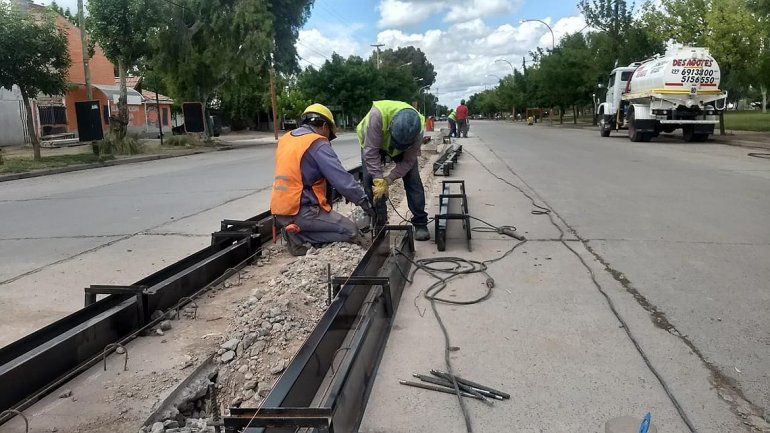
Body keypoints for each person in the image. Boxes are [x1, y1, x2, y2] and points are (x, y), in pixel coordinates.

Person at [270, 103, 375, 256]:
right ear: (325, 126)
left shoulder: (286, 139)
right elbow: (342, 180)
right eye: (330, 135)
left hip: (280, 210)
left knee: (332, 221)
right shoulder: (317, 143)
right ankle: (298, 237)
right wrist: (366, 204)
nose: (328, 140)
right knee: (351, 232)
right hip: (301, 212)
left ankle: (295, 231)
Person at [357, 100, 430, 241]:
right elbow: (371, 154)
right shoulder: (377, 117)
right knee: (370, 182)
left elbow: (408, 161)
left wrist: (390, 178)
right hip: (372, 143)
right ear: (390, 126)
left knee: (413, 179)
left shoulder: (417, 130)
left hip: (400, 146)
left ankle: (420, 223)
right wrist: (379, 180)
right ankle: (378, 223)